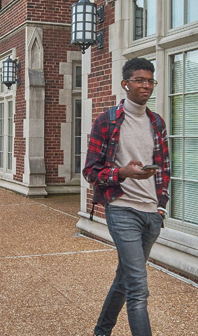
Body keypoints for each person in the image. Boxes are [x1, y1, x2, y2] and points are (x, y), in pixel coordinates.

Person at [83, 57, 170, 336]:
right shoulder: (106, 121)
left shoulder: (157, 123)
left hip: (151, 214)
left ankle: (101, 331)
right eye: (140, 80)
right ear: (125, 84)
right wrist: (122, 173)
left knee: (125, 278)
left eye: (150, 81)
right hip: (122, 209)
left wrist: (161, 207)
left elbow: (165, 169)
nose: (147, 86)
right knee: (138, 286)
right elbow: (90, 170)